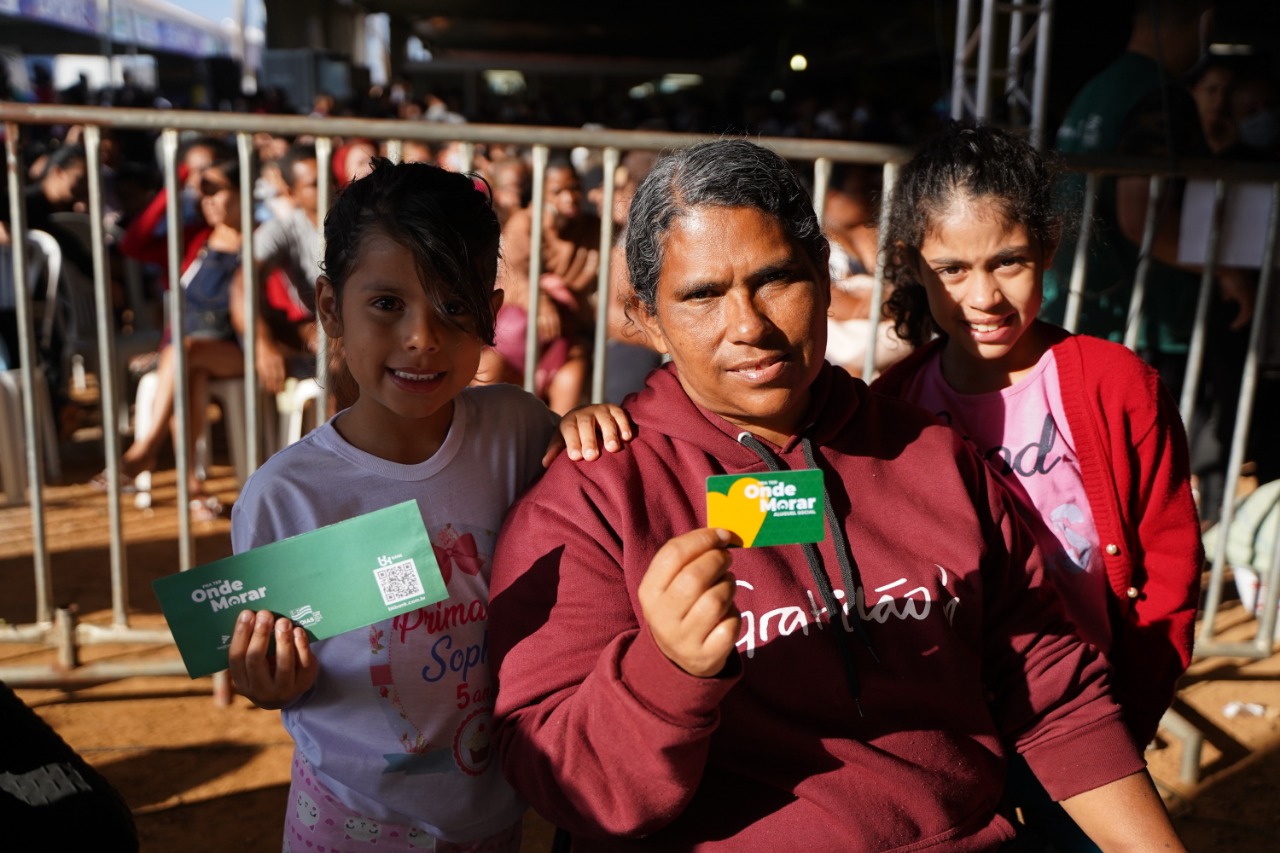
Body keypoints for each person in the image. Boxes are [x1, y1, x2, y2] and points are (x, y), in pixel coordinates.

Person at [487, 138, 1186, 851]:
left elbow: (1053, 694)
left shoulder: (934, 455)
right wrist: (663, 673)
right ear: (644, 315)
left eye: (776, 278)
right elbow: (563, 781)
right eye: (702, 294)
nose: (749, 325)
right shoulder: (593, 499)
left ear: (824, 275)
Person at [226, 160, 629, 852]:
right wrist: (268, 678)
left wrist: (584, 427)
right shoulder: (285, 495)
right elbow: (270, 669)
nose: (422, 337)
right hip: (351, 825)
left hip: (497, 817)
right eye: (387, 303)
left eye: (453, 305)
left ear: (493, 314)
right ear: (330, 308)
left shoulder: (519, 429)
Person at [871, 123, 1203, 850]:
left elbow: (1171, 562)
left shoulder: (1117, 384)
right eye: (953, 269)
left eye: (1009, 261)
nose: (984, 294)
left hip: (1086, 719)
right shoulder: (892, 404)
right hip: (956, 727)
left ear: (1048, 249)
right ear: (913, 268)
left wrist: (1130, 711)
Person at [100, 159, 249, 521]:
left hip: (240, 349)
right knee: (190, 372)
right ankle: (192, 488)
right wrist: (175, 184)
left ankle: (145, 449)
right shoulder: (194, 238)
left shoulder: (259, 239)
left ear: (242, 192)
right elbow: (134, 244)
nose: (208, 201)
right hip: (189, 356)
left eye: (217, 191)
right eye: (202, 193)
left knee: (184, 352)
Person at [478, 157, 600, 414]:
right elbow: (511, 273)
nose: (569, 197)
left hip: (568, 334)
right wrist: (538, 298)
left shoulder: (593, 228)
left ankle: (555, 449)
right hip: (516, 336)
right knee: (486, 372)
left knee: (572, 375)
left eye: (575, 188)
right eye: (558, 191)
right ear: (541, 194)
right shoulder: (524, 223)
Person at [230, 142, 322, 395]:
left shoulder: (362, 223)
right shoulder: (283, 228)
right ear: (292, 193)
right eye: (314, 184)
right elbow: (242, 283)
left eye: (330, 178)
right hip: (321, 337)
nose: (327, 188)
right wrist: (261, 342)